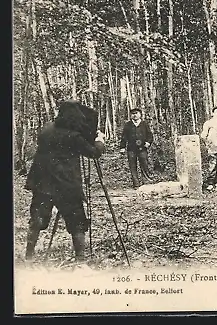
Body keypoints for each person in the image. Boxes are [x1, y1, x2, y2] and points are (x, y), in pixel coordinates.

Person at [24, 100, 106, 262]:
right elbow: (93, 152)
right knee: (77, 222)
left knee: (37, 219)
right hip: (66, 186)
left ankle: (29, 256)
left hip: (42, 185)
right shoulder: (74, 136)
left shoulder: (46, 130)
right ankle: (80, 261)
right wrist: (100, 140)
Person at [119, 108, 154, 188]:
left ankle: (146, 182)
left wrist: (148, 142)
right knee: (132, 166)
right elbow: (124, 137)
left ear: (140, 114)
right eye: (133, 113)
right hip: (131, 148)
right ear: (131, 115)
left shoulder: (144, 124)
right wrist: (122, 147)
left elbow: (150, 135)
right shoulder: (128, 125)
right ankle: (136, 184)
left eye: (136, 113)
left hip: (142, 148)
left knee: (144, 164)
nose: (134, 115)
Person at [200, 106, 217, 188]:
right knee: (212, 164)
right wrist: (208, 144)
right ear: (213, 114)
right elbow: (203, 135)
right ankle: (210, 183)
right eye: (216, 112)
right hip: (212, 147)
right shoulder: (208, 123)